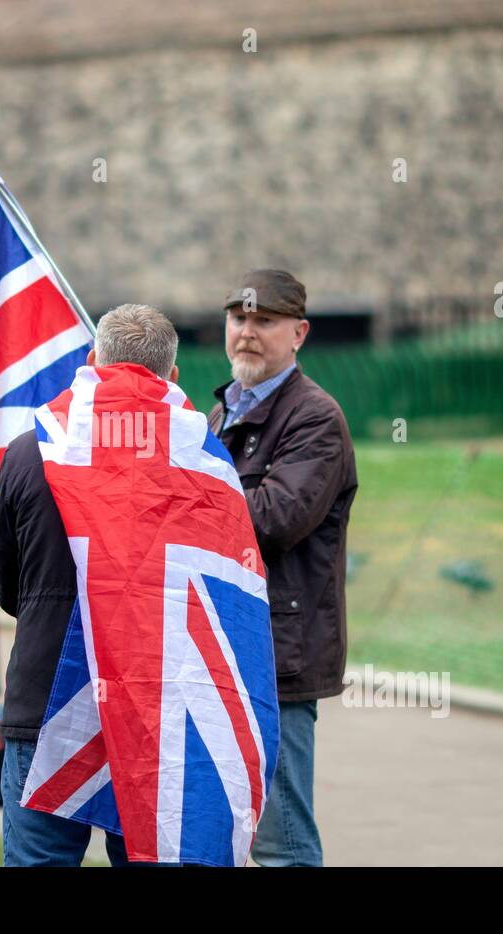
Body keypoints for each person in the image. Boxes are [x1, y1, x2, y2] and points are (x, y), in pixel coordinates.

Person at [0, 303, 184, 867]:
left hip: (47, 692)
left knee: (38, 861)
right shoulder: (197, 461)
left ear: (91, 361)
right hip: (153, 703)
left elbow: (9, 587)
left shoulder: (30, 451)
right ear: (171, 378)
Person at [207, 268, 359, 867]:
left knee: (282, 844)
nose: (248, 332)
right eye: (239, 319)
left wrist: (185, 484)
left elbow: (269, 521)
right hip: (221, 647)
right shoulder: (219, 413)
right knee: (230, 834)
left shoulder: (315, 418)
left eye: (264, 321)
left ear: (298, 333)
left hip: (279, 657)